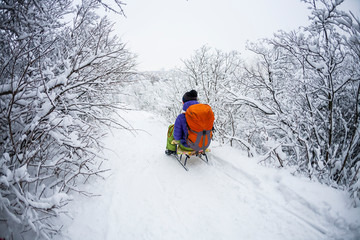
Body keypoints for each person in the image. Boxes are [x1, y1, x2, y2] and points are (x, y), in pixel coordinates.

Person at [165, 90, 198, 155]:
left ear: (184, 103)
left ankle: (171, 150)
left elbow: (177, 137)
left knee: (172, 128)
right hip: (203, 144)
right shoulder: (204, 114)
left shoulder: (181, 117)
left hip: (187, 146)